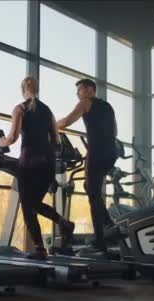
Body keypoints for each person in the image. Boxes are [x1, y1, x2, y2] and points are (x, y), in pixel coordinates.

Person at [0, 76, 75, 260]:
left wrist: (0, 142)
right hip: (47, 163)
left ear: (22, 89)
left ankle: (40, 249)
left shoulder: (20, 109)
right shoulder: (47, 110)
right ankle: (63, 223)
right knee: (34, 204)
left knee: (28, 208)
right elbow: (56, 140)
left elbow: (13, 137)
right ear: (37, 89)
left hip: (29, 163)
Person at [56, 79, 118, 256]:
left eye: (80, 90)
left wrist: (50, 126)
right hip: (110, 154)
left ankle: (100, 242)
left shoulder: (85, 102)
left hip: (97, 153)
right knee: (91, 188)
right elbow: (115, 131)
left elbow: (67, 121)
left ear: (90, 89)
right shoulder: (108, 106)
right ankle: (107, 223)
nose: (78, 94)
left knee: (93, 195)